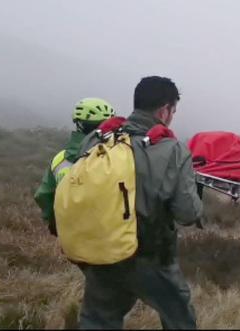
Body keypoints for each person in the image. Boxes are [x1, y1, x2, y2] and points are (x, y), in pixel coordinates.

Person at [77, 76, 203, 330]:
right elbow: (187, 213)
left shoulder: (96, 139)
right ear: (164, 110)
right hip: (150, 256)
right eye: (173, 111)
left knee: (98, 319)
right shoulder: (173, 149)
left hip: (102, 250)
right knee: (179, 319)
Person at [34, 97, 115, 236]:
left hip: (70, 239)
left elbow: (43, 195)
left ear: (78, 124)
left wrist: (54, 223)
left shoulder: (59, 160)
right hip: (108, 239)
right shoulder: (115, 156)